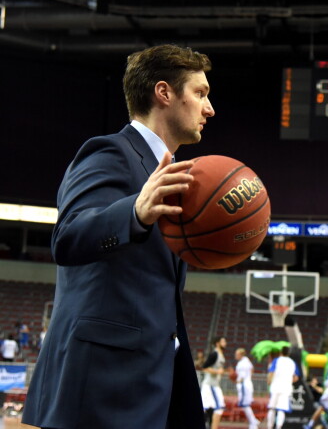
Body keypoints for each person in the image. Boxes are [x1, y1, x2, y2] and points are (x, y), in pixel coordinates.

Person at [22, 44, 215, 429]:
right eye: (200, 93)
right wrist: (134, 212)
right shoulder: (109, 152)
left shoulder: (170, 174)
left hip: (152, 380)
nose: (209, 109)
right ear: (164, 93)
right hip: (101, 385)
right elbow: (68, 237)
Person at [267, 345, 299, 429]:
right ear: (289, 353)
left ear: (281, 352)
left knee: (272, 408)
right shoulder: (292, 362)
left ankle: (269, 426)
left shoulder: (276, 360)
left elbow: (271, 372)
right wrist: (288, 381)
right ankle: (279, 426)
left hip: (275, 386)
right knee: (281, 409)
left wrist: (269, 381)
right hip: (286, 388)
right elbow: (296, 377)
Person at [202, 336, 228, 429]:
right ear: (217, 343)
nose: (225, 343)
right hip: (210, 385)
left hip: (214, 385)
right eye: (223, 341)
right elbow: (204, 368)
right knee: (219, 408)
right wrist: (218, 372)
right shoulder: (214, 354)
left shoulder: (221, 354)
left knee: (210, 409)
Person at [235, 347, 261, 429]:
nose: (235, 355)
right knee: (245, 405)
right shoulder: (246, 361)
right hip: (247, 384)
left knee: (245, 405)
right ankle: (254, 420)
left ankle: (253, 423)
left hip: (244, 386)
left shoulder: (243, 363)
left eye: (237, 354)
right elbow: (252, 369)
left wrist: (237, 381)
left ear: (241, 354)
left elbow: (241, 376)